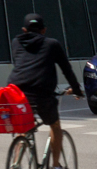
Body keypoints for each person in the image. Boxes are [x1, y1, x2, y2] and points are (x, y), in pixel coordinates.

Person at [8, 12, 81, 168]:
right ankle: (55, 164)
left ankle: (15, 162)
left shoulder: (16, 42)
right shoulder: (52, 44)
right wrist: (76, 90)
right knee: (55, 125)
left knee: (24, 126)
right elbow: (66, 70)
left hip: (15, 94)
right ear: (44, 30)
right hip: (41, 95)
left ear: (24, 30)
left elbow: (22, 65)